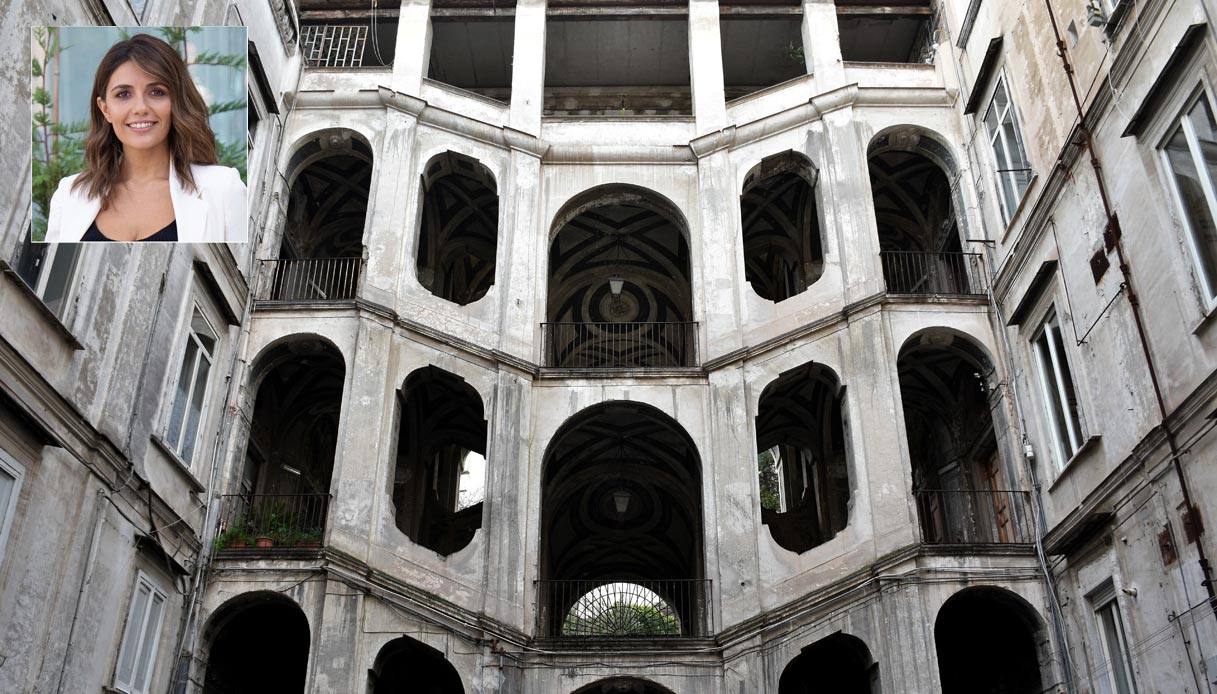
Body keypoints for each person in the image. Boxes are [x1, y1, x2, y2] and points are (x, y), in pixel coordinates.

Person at [44, 32, 246, 243]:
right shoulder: (69, 195)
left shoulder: (223, 189)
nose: (140, 108)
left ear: (176, 101)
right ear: (105, 109)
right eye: (123, 94)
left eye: (156, 92)